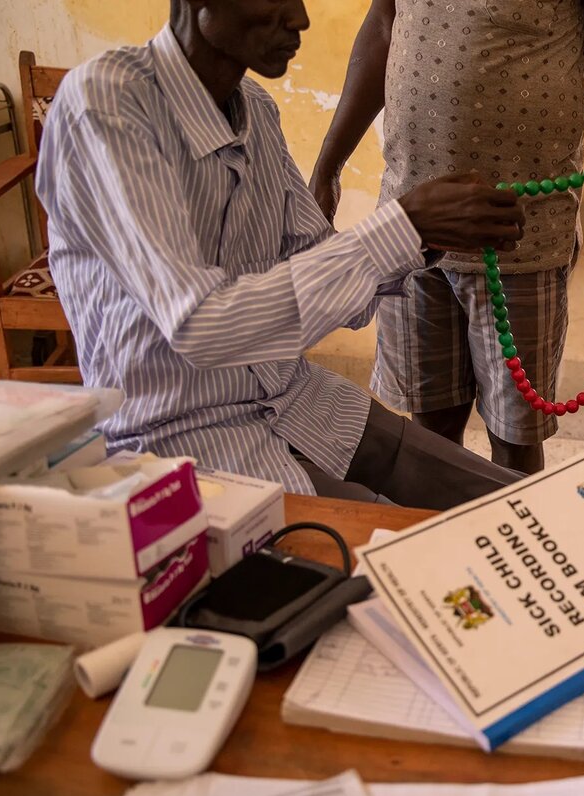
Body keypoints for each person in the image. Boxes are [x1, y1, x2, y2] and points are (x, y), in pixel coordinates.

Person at [35, 0, 529, 509]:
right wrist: (403, 227)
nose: (300, 20)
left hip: (296, 398)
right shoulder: (106, 104)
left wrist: (426, 236)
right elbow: (200, 326)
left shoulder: (255, 109)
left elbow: (344, 294)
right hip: (180, 437)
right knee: (417, 554)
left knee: (522, 504)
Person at [312, 0, 584, 474]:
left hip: (523, 240)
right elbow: (382, 27)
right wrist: (328, 166)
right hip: (413, 222)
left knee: (514, 439)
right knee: (429, 429)